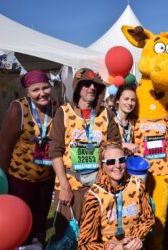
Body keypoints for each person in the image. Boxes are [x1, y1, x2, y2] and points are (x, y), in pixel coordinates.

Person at [49, 68, 121, 241]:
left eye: (95, 85)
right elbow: (55, 150)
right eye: (86, 84)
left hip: (98, 186)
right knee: (65, 237)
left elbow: (115, 146)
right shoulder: (63, 113)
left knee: (97, 235)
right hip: (70, 185)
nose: (91, 88)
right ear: (77, 88)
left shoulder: (107, 114)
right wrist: (64, 185)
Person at [0, 70, 59, 245]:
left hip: (46, 179)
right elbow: (3, 146)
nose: (42, 93)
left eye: (45, 88)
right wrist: (2, 180)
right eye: (36, 90)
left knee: (40, 225)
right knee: (19, 223)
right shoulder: (18, 108)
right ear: (28, 92)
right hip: (20, 180)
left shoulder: (55, 107)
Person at [78, 142, 154, 249]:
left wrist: (135, 239)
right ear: (101, 164)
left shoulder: (137, 184)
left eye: (121, 160)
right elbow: (84, 245)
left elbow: (148, 219)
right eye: (110, 162)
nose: (117, 166)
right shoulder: (94, 197)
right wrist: (114, 248)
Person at [113, 83, 139, 154]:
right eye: (126, 99)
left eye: (133, 100)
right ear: (118, 100)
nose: (130, 103)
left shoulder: (133, 122)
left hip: (128, 163)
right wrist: (125, 145)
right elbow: (103, 143)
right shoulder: (109, 118)